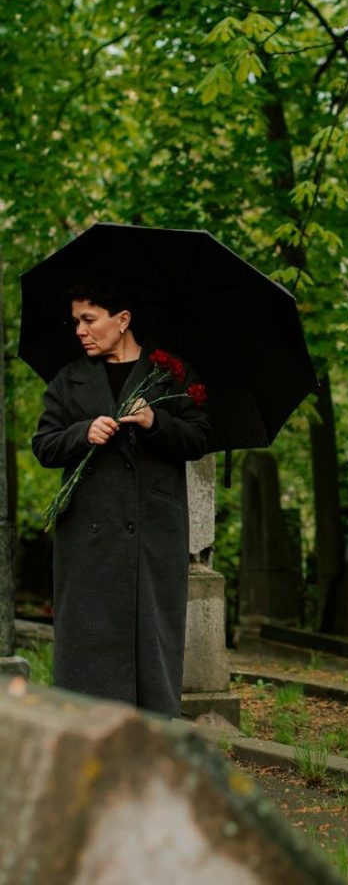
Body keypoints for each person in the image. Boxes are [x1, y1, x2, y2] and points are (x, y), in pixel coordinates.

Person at [32, 281, 210, 717]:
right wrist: (81, 432)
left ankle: (151, 749)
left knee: (150, 648)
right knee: (87, 652)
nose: (80, 330)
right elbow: (43, 445)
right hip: (89, 543)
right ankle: (86, 747)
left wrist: (156, 421)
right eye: (76, 321)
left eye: (88, 320)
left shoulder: (170, 374)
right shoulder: (69, 379)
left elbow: (201, 437)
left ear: (122, 320)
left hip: (151, 539)